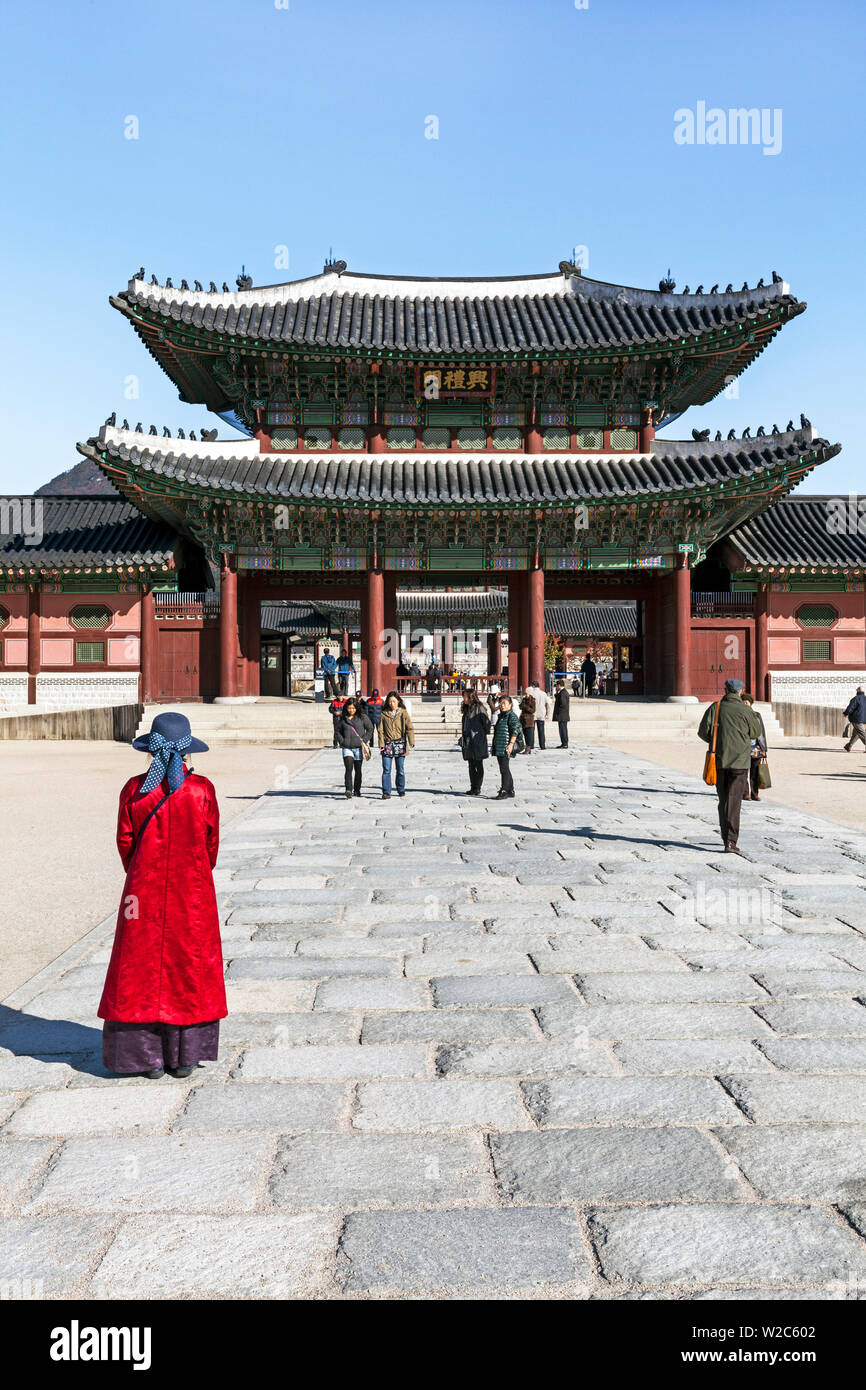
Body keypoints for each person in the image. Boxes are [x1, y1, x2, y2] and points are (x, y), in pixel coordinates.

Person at [98, 711, 226, 1080]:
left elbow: (125, 841)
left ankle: (146, 1058)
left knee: (138, 968)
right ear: (187, 752)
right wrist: (196, 873)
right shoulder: (201, 789)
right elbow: (210, 843)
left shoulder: (135, 789)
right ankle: (184, 1057)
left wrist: (140, 872)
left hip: (142, 891)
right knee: (189, 966)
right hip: (193, 892)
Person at [698, 677, 763, 853]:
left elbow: (703, 732)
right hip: (740, 762)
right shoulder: (746, 709)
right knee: (734, 802)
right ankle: (731, 841)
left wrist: (716, 742)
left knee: (723, 800)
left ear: (725, 690)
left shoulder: (716, 707)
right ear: (741, 692)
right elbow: (756, 732)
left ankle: (725, 836)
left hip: (719, 760)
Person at [378, 690, 415, 799]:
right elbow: (380, 730)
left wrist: (411, 741)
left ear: (398, 701)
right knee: (386, 769)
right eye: (390, 702)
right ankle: (386, 791)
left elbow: (410, 728)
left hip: (400, 743)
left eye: (394, 701)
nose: (391, 704)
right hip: (387, 743)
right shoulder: (384, 714)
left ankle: (400, 788)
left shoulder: (403, 713)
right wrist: (381, 743)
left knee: (400, 769)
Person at [336, 697, 374, 799]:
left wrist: (364, 740)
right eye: (349, 708)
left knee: (358, 770)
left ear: (356, 708)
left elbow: (370, 729)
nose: (351, 710)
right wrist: (342, 741)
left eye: (353, 708)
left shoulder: (362, 717)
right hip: (347, 747)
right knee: (348, 769)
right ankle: (348, 789)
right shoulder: (343, 718)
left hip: (358, 748)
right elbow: (337, 731)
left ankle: (357, 789)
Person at [459, 689, 491, 795]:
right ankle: (473, 786)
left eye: (465, 696)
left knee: (478, 763)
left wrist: (481, 734)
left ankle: (478, 787)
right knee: (471, 764)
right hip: (468, 740)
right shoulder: (467, 708)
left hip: (477, 739)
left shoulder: (479, 708)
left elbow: (487, 723)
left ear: (471, 697)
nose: (464, 698)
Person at [741, 691, 769, 801]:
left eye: (747, 702)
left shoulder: (757, 715)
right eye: (743, 702)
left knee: (755, 771)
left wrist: (764, 748)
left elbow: (762, 732)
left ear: (751, 703)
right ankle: (745, 793)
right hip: (743, 747)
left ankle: (754, 793)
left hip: (756, 747)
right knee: (743, 772)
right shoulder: (740, 715)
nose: (745, 704)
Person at [492, 694, 521, 797]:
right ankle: (510, 789)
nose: (502, 705)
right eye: (500, 703)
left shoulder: (511, 716)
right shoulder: (501, 716)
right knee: (504, 768)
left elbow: (516, 730)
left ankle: (504, 790)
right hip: (499, 744)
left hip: (505, 746)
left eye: (504, 703)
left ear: (510, 705)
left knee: (504, 768)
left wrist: (511, 744)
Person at [526, 680, 551, 749]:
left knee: (531, 731)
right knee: (541, 731)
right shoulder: (543, 693)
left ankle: (531, 745)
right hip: (541, 714)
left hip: (532, 714)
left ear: (533, 686)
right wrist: (548, 715)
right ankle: (542, 745)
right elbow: (548, 704)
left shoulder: (531, 694)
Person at [843, 686, 866, 752]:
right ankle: (848, 746)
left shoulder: (856, 698)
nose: (856, 691)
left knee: (862, 733)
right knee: (856, 734)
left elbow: (850, 707)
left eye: (857, 689)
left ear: (858, 690)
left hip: (856, 719)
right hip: (863, 719)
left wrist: (845, 713)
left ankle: (849, 746)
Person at [553, 678, 570, 747]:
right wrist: (557, 692)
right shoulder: (562, 692)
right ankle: (564, 743)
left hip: (562, 714)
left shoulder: (563, 693)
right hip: (563, 715)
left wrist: (558, 710)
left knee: (563, 730)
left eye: (556, 686)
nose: (556, 687)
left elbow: (563, 703)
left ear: (559, 685)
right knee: (562, 729)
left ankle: (565, 743)